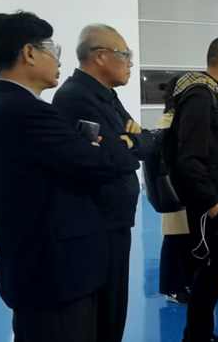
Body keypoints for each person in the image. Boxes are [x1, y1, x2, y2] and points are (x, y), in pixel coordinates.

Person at [0, 11, 140, 342]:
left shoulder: (4, 106)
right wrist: (130, 142)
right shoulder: (27, 111)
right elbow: (100, 164)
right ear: (29, 53)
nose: (59, 60)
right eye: (52, 49)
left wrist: (104, 147)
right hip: (53, 274)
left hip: (42, 268)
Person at [52, 24, 155, 342]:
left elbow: (146, 142)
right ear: (100, 56)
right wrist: (131, 143)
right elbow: (111, 156)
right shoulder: (75, 98)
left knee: (114, 306)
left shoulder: (107, 96)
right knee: (101, 312)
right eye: (125, 54)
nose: (130, 63)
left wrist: (132, 141)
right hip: (95, 222)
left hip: (114, 219)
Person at [171, 37, 218, 342]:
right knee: (208, 276)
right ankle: (196, 338)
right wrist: (211, 202)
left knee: (215, 276)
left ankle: (201, 334)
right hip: (215, 204)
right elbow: (189, 156)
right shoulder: (201, 95)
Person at [156, 76, 192, 305]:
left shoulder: (183, 120)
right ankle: (172, 288)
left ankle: (184, 282)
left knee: (186, 238)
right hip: (175, 189)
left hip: (188, 188)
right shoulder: (168, 121)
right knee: (174, 238)